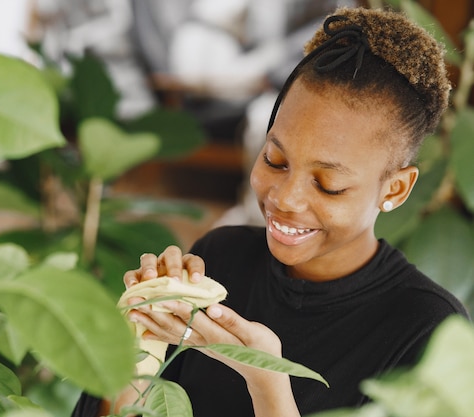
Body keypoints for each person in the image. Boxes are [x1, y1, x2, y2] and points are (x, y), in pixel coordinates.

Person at [72, 6, 470, 417]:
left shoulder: (429, 331)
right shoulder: (220, 258)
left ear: (396, 189)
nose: (285, 198)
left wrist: (266, 380)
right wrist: (139, 336)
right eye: (275, 160)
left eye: (327, 184)